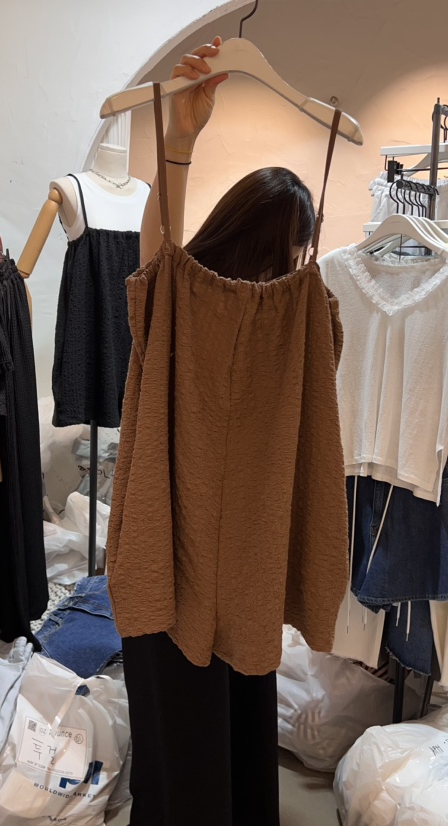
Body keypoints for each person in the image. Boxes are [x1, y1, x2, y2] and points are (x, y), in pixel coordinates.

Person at [115, 38, 349, 826]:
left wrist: (181, 140)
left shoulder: (272, 310)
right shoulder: (192, 299)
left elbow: (158, 249)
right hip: (225, 561)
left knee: (197, 738)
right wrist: (179, 139)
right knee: (220, 736)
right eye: (292, 244)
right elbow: (159, 252)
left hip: (192, 559)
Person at [139, 36, 317, 281]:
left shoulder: (291, 300)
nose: (272, 281)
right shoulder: (186, 288)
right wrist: (179, 139)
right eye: (269, 266)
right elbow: (157, 274)